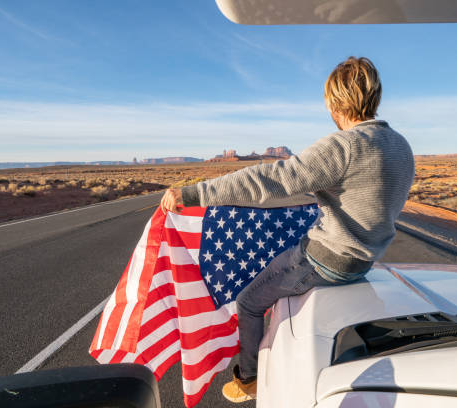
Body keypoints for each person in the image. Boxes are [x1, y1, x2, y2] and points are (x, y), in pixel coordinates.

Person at [160, 56, 414, 403]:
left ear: (335, 102)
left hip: (329, 260)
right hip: (366, 259)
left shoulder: (344, 146)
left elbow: (269, 179)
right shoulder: (401, 146)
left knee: (249, 302)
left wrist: (192, 194)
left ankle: (249, 377)